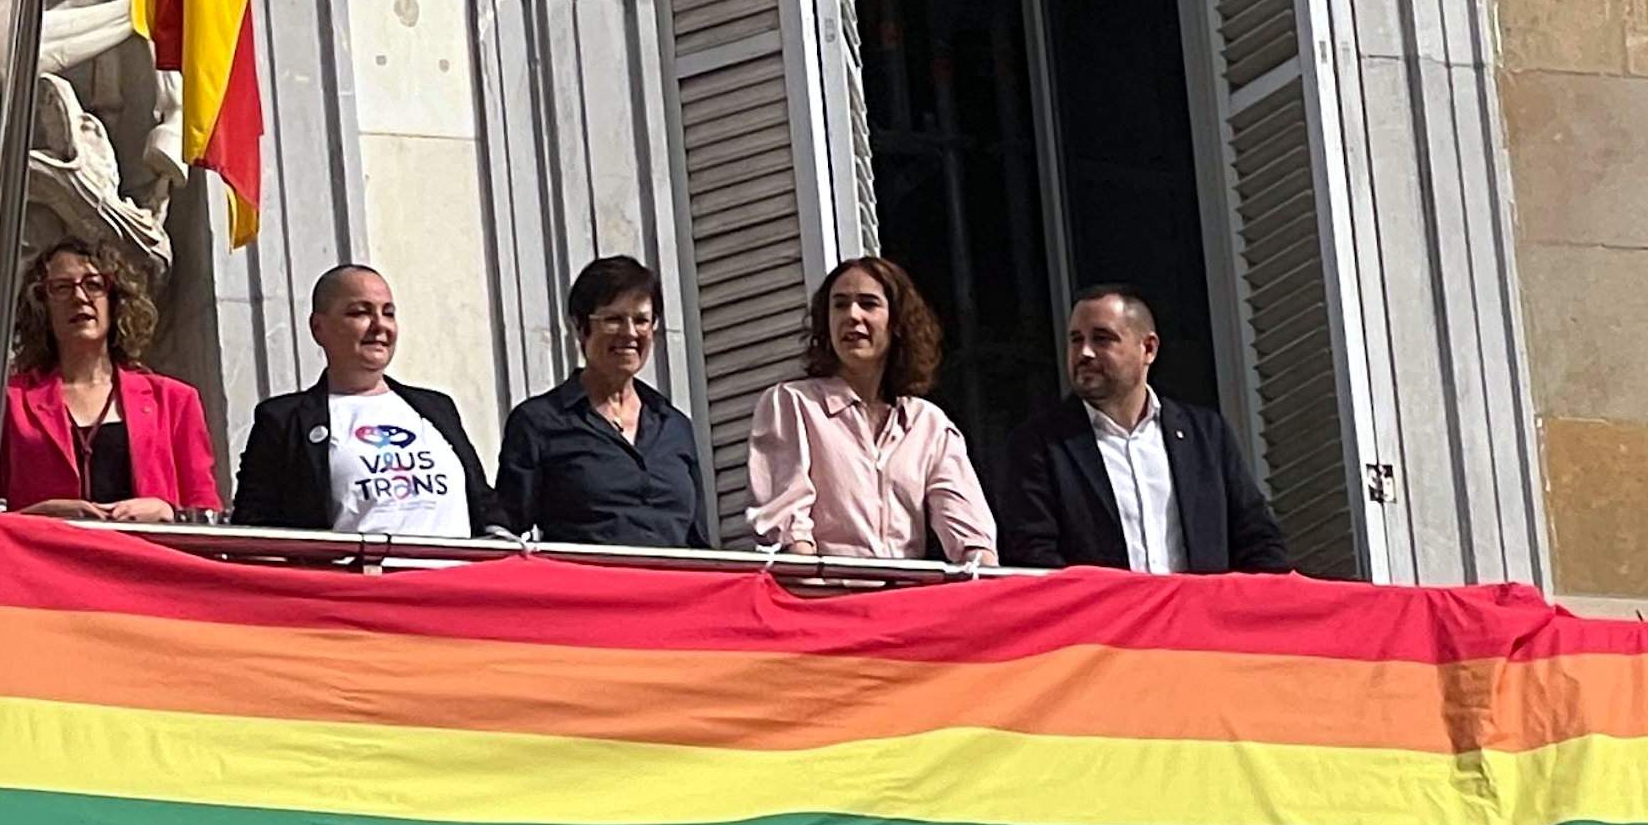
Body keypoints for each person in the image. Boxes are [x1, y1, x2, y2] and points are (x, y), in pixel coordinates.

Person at [991, 282, 1294, 575]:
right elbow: (1033, 559)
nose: (1084, 353)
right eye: (1075, 339)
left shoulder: (1205, 435)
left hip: (1199, 623)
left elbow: (1258, 541)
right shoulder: (1038, 445)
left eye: (1102, 338)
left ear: (1148, 348)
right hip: (1104, 625)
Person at [745, 253, 996, 566]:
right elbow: (788, 530)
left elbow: (971, 536)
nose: (852, 315)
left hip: (904, 605)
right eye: (839, 304)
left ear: (897, 323)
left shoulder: (928, 424)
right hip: (824, 603)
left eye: (868, 303)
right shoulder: (793, 404)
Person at [229, 262, 498, 539]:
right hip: (361, 580)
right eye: (360, 312)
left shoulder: (437, 408)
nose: (380, 325)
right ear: (319, 328)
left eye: (388, 313)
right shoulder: (284, 420)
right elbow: (254, 530)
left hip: (452, 577)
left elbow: (486, 507)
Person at [0, 236, 218, 520]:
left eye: (94, 285)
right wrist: (39, 515)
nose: (79, 297)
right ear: (41, 305)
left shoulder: (174, 400)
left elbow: (206, 512)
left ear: (115, 300)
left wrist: (168, 513)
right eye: (61, 288)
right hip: (44, 560)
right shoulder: (7, 401)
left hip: (147, 558)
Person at [496, 254, 710, 550]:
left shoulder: (675, 425)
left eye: (641, 320)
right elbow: (507, 533)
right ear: (581, 327)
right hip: (589, 591)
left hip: (675, 592)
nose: (630, 333)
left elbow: (698, 541)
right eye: (613, 320)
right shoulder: (539, 422)